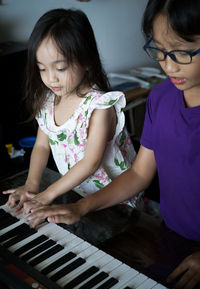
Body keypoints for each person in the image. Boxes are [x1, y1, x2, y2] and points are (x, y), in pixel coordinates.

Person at [24, 0, 200, 289]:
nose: (168, 65)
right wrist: (80, 207)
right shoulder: (160, 97)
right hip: (172, 235)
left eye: (182, 51)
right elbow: (140, 174)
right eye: (159, 51)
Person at [3, 9, 138, 213]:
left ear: (87, 61)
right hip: (79, 196)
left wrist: (48, 194)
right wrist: (31, 185)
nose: (51, 78)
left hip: (114, 200)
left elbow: (91, 162)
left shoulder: (99, 106)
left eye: (60, 68)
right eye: (42, 68)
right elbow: (41, 145)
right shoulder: (48, 100)